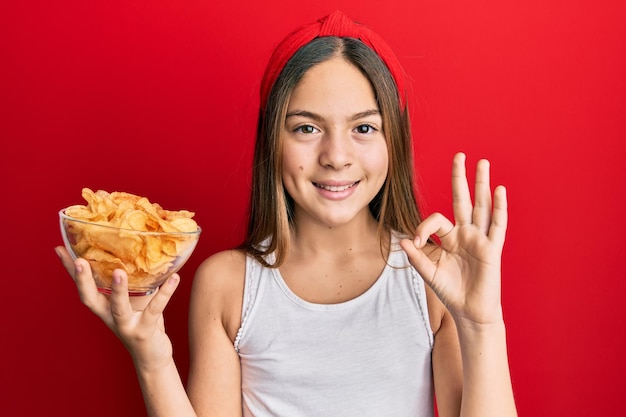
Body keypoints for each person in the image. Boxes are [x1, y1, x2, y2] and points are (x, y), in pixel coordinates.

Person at [56, 10, 517, 417]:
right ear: (272, 141)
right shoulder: (228, 286)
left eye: (363, 127)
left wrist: (481, 323)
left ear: (392, 141)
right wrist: (151, 354)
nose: (336, 156)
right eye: (307, 127)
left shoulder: (432, 281)